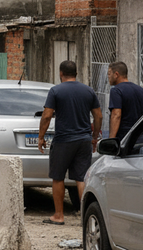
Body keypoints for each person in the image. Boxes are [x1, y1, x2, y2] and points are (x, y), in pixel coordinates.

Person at [38, 60, 102, 225]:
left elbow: (46, 116)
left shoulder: (56, 91)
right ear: (76, 73)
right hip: (84, 140)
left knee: (58, 177)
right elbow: (99, 116)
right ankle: (84, 216)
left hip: (63, 140)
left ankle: (59, 215)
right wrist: (94, 137)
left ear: (61, 73)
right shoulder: (88, 91)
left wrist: (41, 137)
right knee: (81, 178)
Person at [107, 61, 143, 140]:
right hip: (141, 135)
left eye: (109, 74)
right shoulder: (141, 90)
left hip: (125, 136)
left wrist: (111, 139)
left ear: (116, 74)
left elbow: (116, 115)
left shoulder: (116, 91)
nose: (108, 76)